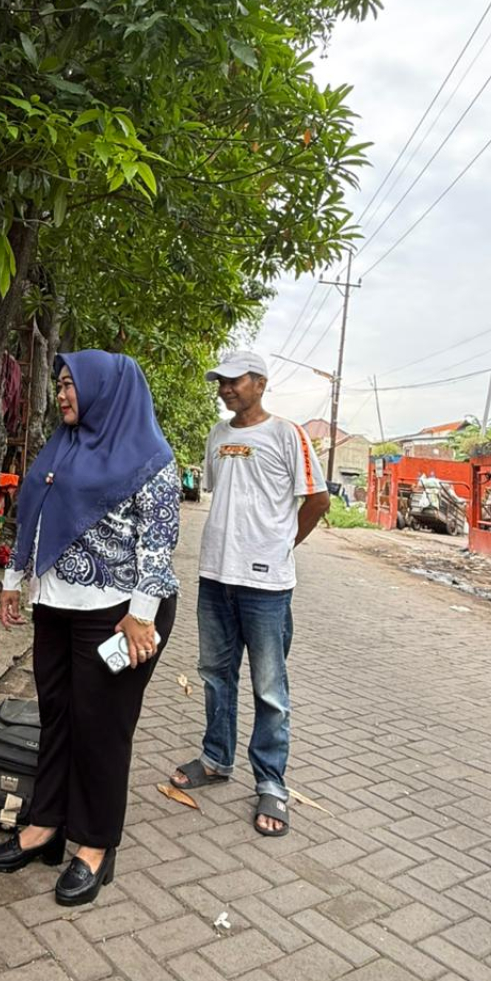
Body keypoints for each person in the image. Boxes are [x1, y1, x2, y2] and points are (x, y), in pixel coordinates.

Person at [0, 350, 180, 906]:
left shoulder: (151, 458)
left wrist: (141, 614)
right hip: (57, 606)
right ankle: (46, 824)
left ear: (106, 390)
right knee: (58, 716)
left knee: (102, 728)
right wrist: (13, 576)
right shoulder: (62, 445)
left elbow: (159, 542)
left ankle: (96, 844)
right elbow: (34, 514)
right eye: (61, 385)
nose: (63, 395)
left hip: (120, 610)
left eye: (72, 385)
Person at [171, 352, 329, 837]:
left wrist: (283, 545)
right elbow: (222, 493)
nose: (224, 389)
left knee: (269, 690)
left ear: (260, 382)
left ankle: (271, 784)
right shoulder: (218, 435)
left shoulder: (288, 434)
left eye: (233, 381)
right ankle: (217, 759)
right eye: (219, 382)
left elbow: (318, 499)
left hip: (267, 586)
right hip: (216, 576)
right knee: (216, 675)